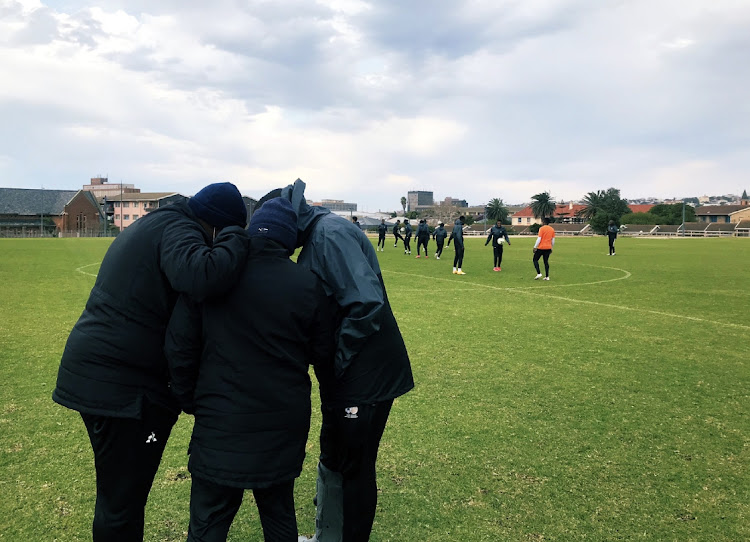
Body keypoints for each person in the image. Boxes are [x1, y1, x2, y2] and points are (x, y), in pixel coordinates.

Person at [52, 182, 250, 542]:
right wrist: (237, 238)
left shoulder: (159, 222)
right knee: (121, 503)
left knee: (118, 498)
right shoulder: (180, 227)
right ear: (217, 226)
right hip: (123, 390)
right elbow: (201, 276)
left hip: (102, 375)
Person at [165, 198, 338, 542]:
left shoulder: (214, 276)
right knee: (278, 518)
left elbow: (179, 347)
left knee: (207, 526)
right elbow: (326, 358)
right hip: (280, 425)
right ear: (288, 240)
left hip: (219, 422)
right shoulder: (307, 285)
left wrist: (191, 400)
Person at [261, 179, 414, 542]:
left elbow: (365, 303)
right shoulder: (317, 236)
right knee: (338, 454)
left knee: (354, 465)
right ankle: (327, 535)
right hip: (353, 373)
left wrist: (336, 362)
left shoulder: (329, 233)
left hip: (365, 372)